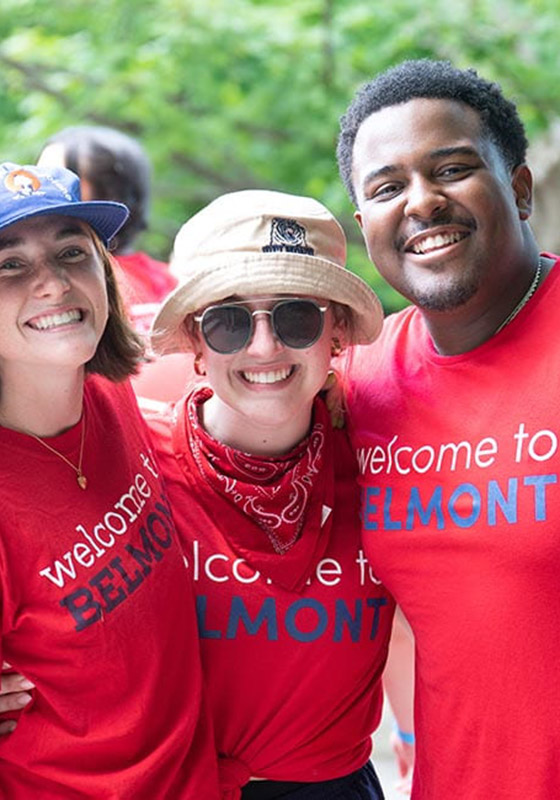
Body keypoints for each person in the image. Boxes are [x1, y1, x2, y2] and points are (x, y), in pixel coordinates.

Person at [0, 163, 219, 798]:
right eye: (10, 265)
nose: (52, 282)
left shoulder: (111, 393)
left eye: (72, 252)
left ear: (104, 276)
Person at [336, 58, 560, 798]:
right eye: (386, 187)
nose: (422, 203)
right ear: (364, 221)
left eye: (452, 169)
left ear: (519, 189)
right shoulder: (360, 382)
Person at [147, 190, 396, 799]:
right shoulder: (129, 463)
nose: (263, 347)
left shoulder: (385, 456)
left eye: (296, 316)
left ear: (336, 331)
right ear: (194, 342)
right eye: (229, 320)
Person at [38, 125, 177, 311]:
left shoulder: (100, 286)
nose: (38, 192)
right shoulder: (167, 278)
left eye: (56, 179)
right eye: (38, 177)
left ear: (112, 194)